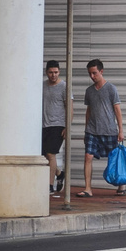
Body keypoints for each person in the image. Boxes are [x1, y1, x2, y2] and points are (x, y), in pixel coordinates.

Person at [76, 59, 126, 197]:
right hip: (92, 130)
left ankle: (121, 185)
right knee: (88, 156)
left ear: (101, 71)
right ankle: (88, 188)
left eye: (94, 73)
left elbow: (117, 109)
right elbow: (89, 111)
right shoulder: (89, 91)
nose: (92, 76)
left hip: (109, 130)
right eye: (90, 74)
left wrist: (121, 130)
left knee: (114, 158)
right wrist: (86, 130)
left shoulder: (111, 89)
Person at [42, 60, 73, 194]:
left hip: (58, 125)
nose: (53, 75)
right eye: (50, 72)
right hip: (43, 124)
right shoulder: (42, 85)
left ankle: (50, 185)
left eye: (55, 72)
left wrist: (68, 126)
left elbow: (70, 107)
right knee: (43, 155)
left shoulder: (64, 87)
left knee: (50, 154)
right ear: (46, 72)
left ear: (59, 72)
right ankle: (59, 173)